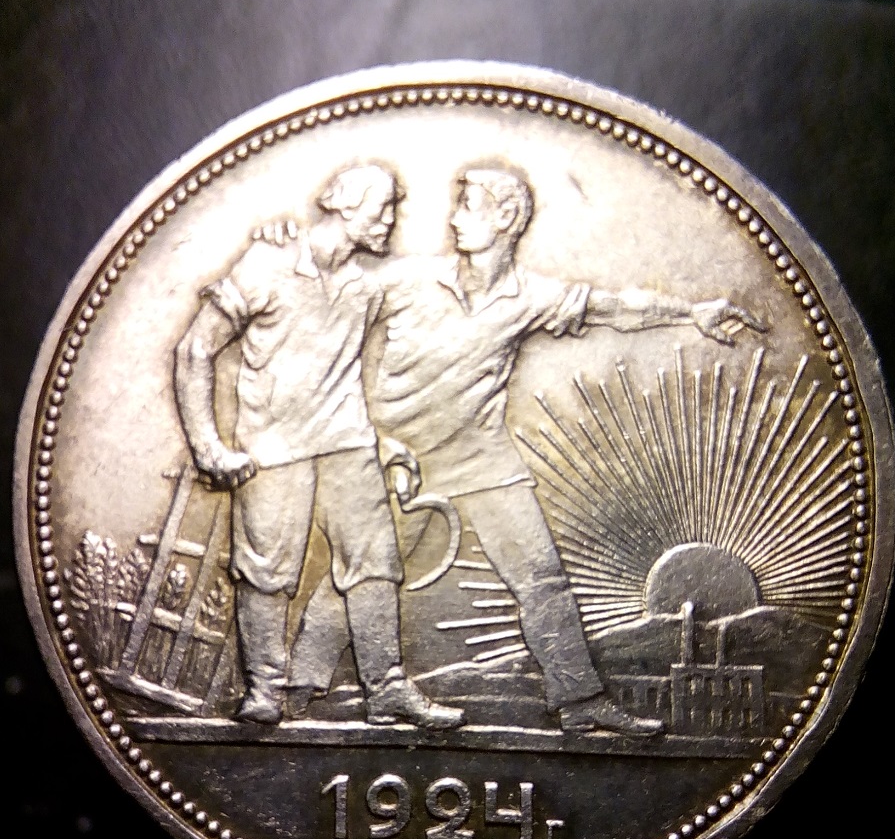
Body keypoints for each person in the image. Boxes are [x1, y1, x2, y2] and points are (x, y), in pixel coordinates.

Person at [288, 165, 763, 737]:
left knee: (542, 578)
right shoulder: (406, 280)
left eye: (468, 206)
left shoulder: (531, 296)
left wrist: (691, 313)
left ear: (506, 218)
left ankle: (579, 700)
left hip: (482, 460)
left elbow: (617, 308)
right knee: (361, 574)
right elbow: (323, 307)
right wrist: (284, 244)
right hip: (397, 460)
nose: (454, 219)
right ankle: (298, 686)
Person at [173, 164, 464, 729]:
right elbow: (194, 350)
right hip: (273, 450)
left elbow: (344, 369)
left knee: (376, 564)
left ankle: (387, 688)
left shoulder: (366, 285)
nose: (391, 219)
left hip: (348, 444)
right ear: (346, 205)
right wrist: (207, 448)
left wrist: (381, 440)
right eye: (383, 206)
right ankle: (265, 691)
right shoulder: (267, 261)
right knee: (266, 572)